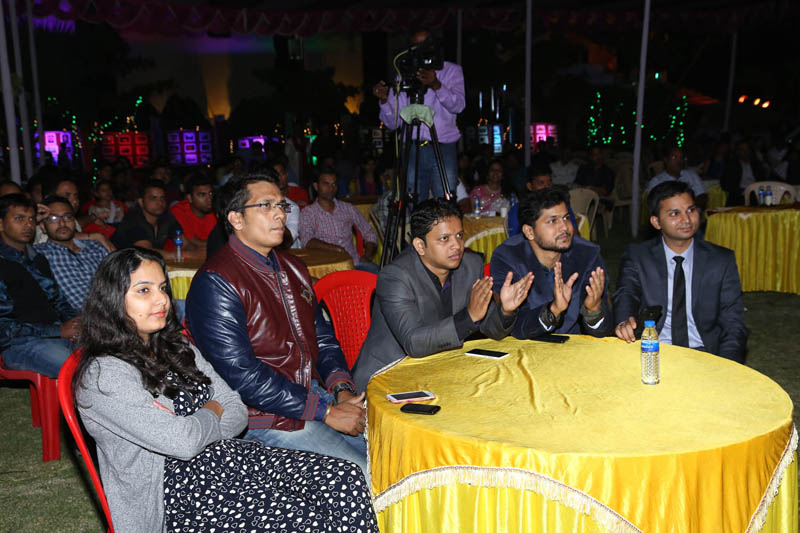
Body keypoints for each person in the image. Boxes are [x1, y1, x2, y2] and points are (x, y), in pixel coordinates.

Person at [74, 248, 378, 533]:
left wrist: (203, 420)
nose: (161, 300)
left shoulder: (176, 346)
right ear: (113, 300)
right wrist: (212, 409)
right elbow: (184, 442)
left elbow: (236, 409)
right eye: (144, 290)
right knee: (306, 517)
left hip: (230, 461)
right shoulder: (106, 376)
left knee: (344, 478)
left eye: (163, 288)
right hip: (177, 499)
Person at [185, 174, 370, 473]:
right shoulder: (216, 282)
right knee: (358, 473)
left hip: (308, 396)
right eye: (266, 205)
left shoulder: (293, 268)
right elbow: (242, 376)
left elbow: (322, 337)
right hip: (260, 416)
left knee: (391, 454)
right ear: (236, 218)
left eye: (281, 205)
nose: (280, 214)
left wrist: (342, 389)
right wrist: (325, 412)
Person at [352, 199, 532, 391]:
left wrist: (505, 310)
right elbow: (413, 343)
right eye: (444, 239)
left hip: (439, 370)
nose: (457, 245)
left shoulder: (471, 266)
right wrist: (468, 318)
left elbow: (491, 329)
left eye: (459, 235)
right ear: (420, 246)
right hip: (388, 376)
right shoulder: (396, 277)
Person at [613, 181, 747, 362]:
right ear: (656, 222)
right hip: (654, 350)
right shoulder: (638, 256)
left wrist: (726, 365)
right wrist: (624, 322)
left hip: (705, 353)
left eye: (691, 210)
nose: (687, 219)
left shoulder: (721, 260)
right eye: (675, 213)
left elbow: (734, 323)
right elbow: (626, 295)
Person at [490, 188, 611, 340]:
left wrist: (593, 311)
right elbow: (513, 326)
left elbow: (604, 331)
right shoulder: (508, 257)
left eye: (566, 218)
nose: (564, 227)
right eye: (553, 221)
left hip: (573, 345)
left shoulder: (587, 254)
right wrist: (552, 311)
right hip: (525, 346)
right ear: (529, 232)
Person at [373, 29, 465, 202]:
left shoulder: (451, 70)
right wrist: (384, 100)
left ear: (434, 46)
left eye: (425, 45)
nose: (420, 50)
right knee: (413, 203)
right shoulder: (404, 74)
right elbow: (393, 123)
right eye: (416, 46)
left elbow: (458, 106)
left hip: (443, 147)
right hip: (412, 148)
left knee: (445, 203)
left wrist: (436, 84)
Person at [0, 194, 78, 377]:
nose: (28, 225)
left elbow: (59, 301)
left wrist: (76, 323)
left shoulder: (37, 259)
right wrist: (58, 331)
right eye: (19, 218)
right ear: (1, 224)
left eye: (31, 219)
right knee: (76, 368)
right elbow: (3, 329)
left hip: (57, 334)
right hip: (19, 344)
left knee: (109, 355)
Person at [33, 196, 108, 310]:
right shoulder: (40, 253)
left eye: (68, 217)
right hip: (84, 316)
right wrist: (33, 219)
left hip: (119, 309)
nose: (62, 223)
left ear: (74, 221)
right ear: (43, 227)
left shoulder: (95, 247)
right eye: (53, 218)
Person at [299, 168, 379, 273]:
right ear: (316, 186)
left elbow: (370, 233)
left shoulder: (347, 208)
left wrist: (367, 256)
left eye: (334, 184)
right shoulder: (308, 212)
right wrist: (335, 249)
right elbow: (306, 240)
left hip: (353, 264)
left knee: (377, 273)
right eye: (326, 184)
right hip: (327, 267)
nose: (331, 188)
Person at [112, 180, 199, 261]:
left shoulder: (166, 216)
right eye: (153, 198)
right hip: (122, 265)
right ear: (141, 202)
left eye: (162, 198)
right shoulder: (133, 219)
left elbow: (185, 243)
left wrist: (195, 252)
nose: (160, 202)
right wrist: (183, 255)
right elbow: (146, 252)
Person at [506, 166, 578, 236]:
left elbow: (575, 234)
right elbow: (515, 239)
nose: (546, 187)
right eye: (541, 183)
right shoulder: (518, 210)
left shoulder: (561, 206)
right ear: (530, 186)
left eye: (549, 183)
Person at [647, 145, 708, 210]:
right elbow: (655, 205)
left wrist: (688, 206)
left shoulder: (691, 175)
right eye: (674, 157)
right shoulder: (657, 181)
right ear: (666, 160)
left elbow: (703, 196)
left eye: (681, 158)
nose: (678, 161)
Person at [169, 173, 217, 248]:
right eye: (202, 195)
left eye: (210, 193)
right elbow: (191, 242)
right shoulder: (179, 211)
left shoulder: (215, 211)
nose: (209, 199)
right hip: (179, 254)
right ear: (190, 198)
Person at [722, 140, 767, 205]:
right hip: (738, 195)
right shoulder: (732, 165)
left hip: (755, 194)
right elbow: (725, 183)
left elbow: (762, 180)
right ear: (737, 152)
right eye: (742, 150)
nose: (745, 152)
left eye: (747, 149)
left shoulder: (756, 165)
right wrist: (739, 191)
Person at [269, 160, 301, 247]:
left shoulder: (290, 206)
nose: (279, 178)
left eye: (281, 173)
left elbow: (289, 239)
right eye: (275, 175)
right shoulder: (259, 204)